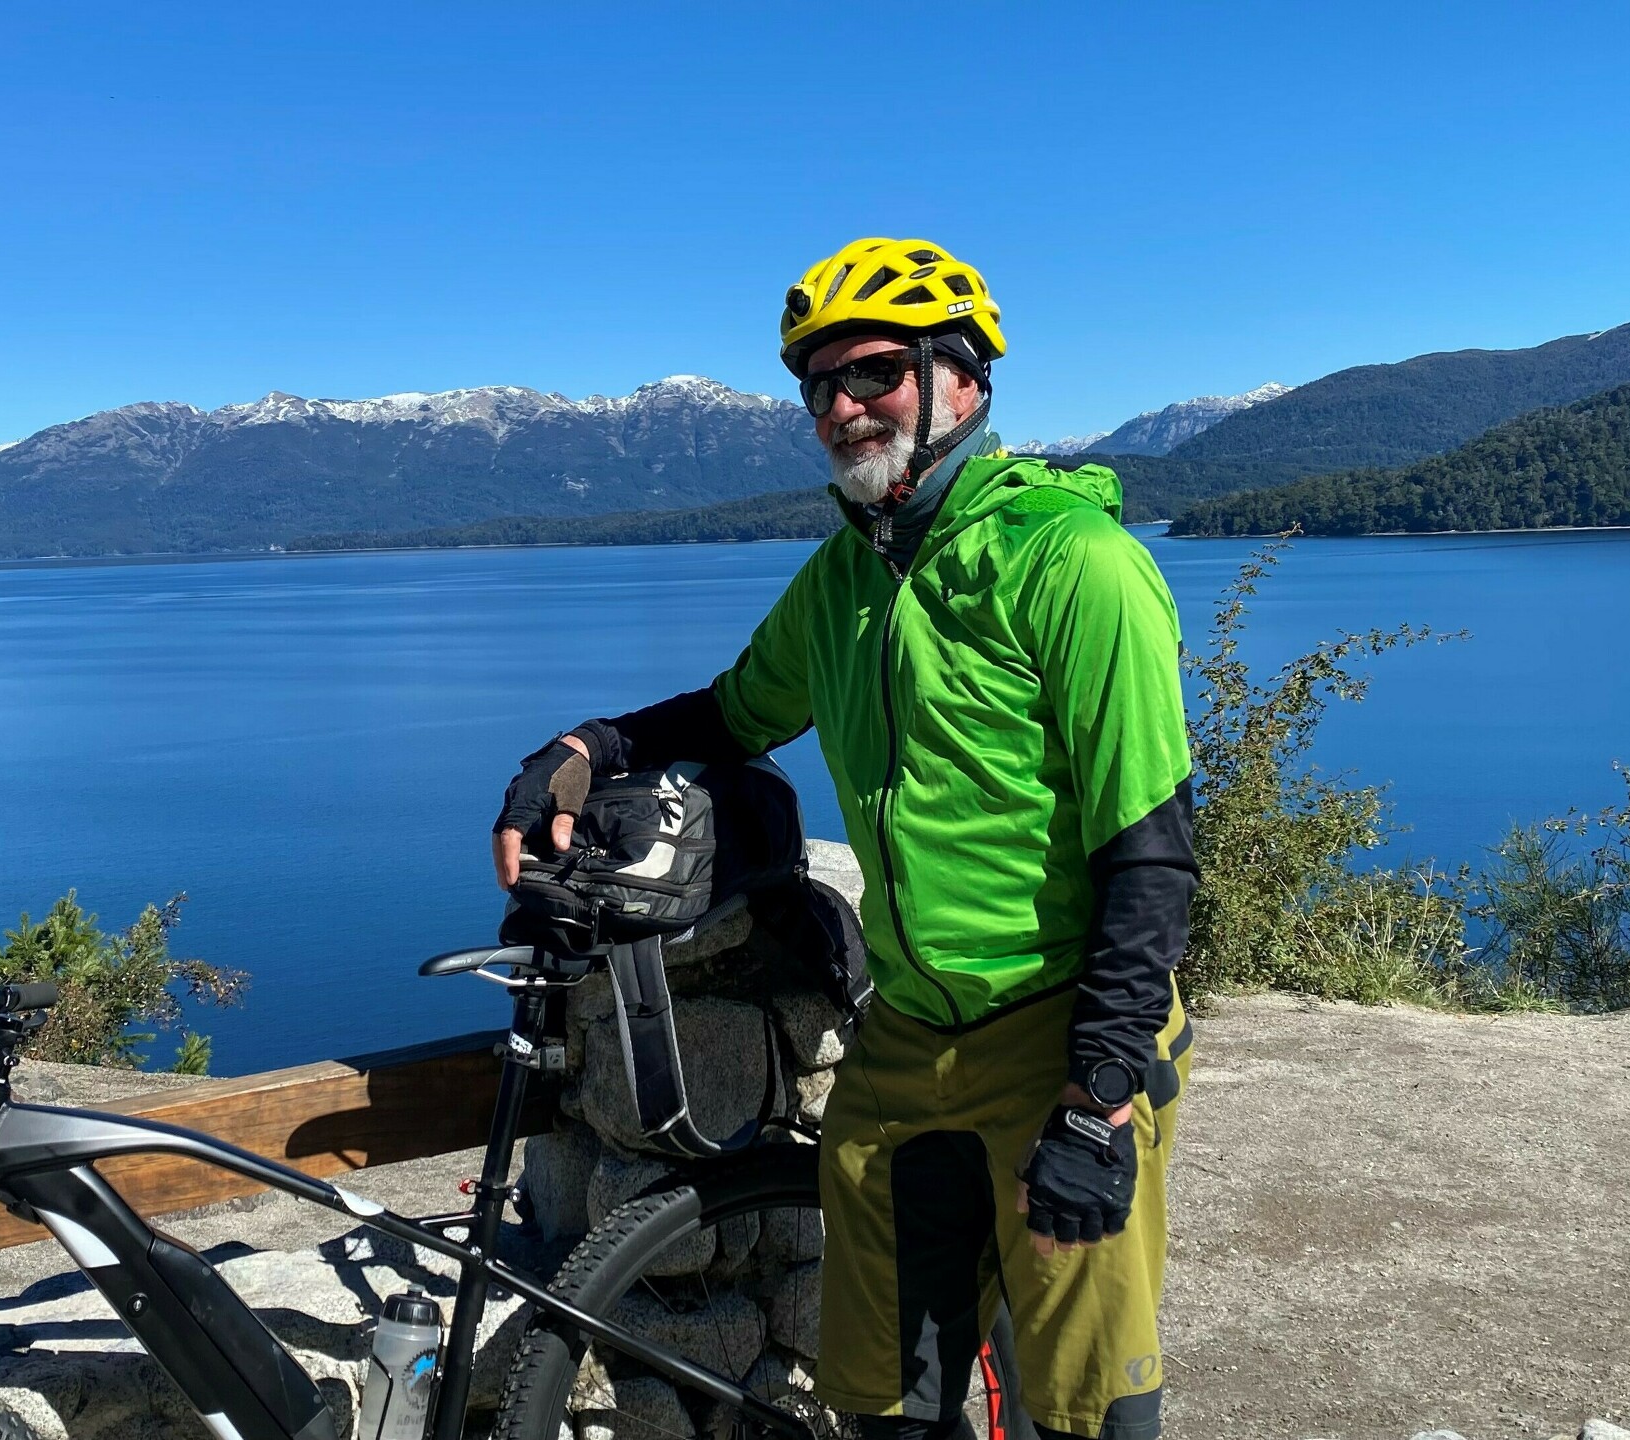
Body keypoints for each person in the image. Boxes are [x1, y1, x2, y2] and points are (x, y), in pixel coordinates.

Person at [492, 237, 1197, 1440]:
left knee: (1082, 1400)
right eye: (818, 387)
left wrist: (1099, 1096)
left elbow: (1150, 851)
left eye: (874, 374)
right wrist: (578, 752)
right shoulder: (843, 582)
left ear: (961, 382)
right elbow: (728, 712)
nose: (842, 408)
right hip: (907, 1044)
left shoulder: (1076, 565)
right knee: (882, 1392)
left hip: (1057, 1032)